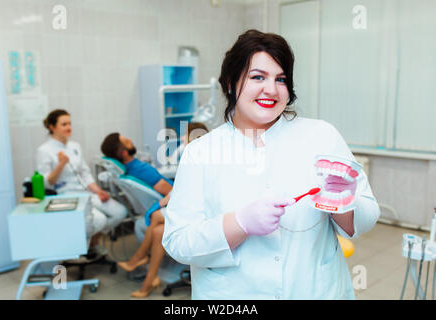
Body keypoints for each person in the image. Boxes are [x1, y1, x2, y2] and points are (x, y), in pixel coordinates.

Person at [162, 30, 380, 299]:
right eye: (257, 77)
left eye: (281, 79)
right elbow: (178, 242)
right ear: (231, 82)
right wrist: (239, 223)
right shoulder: (201, 152)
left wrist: (342, 203)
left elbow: (366, 218)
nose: (271, 89)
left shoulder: (322, 136)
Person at [100, 125, 208, 298]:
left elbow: (183, 191)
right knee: (158, 230)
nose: (181, 140)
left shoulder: (202, 162)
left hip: (196, 208)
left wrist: (156, 207)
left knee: (157, 218)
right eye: (126, 140)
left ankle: (139, 261)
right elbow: (174, 190)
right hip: (183, 202)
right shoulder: (142, 169)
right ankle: (149, 281)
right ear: (123, 152)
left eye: (184, 137)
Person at [37, 109, 128, 254]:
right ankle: (80, 247)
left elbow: (85, 173)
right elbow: (47, 183)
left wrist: (98, 191)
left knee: (120, 212)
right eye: (64, 124)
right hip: (66, 195)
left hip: (86, 192)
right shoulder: (45, 150)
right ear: (52, 127)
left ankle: (92, 241)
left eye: (70, 123)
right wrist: (61, 165)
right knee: (99, 220)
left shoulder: (75, 146)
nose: (69, 127)